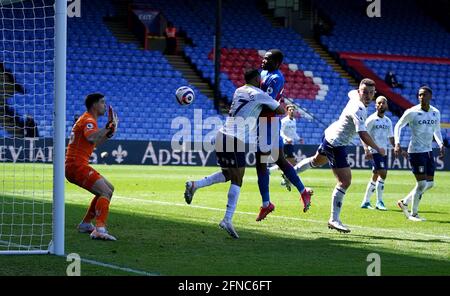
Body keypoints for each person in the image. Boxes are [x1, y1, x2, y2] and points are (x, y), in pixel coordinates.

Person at [184, 69, 284, 239]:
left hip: (221, 135)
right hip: (235, 139)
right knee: (238, 178)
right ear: (257, 79)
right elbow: (280, 110)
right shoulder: (259, 94)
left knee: (228, 174)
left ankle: (195, 185)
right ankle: (227, 219)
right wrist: (278, 98)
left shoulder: (239, 90)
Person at [294, 79, 385, 233]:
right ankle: (334, 219)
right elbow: (362, 133)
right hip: (336, 144)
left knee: (316, 161)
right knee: (345, 181)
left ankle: (291, 174)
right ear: (359, 92)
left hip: (329, 134)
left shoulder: (354, 96)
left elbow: (350, 93)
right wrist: (377, 148)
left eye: (371, 93)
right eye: (365, 92)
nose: (368, 96)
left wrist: (358, 93)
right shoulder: (359, 108)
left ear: (374, 93)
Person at [255, 49, 313, 222]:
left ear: (277, 63)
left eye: (268, 59)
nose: (264, 61)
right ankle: (303, 192)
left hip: (268, 123)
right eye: (263, 58)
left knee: (261, 163)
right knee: (279, 161)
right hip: (264, 123)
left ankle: (267, 204)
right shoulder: (264, 73)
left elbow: (267, 103)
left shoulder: (276, 78)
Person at [65, 93, 119, 241]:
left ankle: (86, 224)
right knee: (105, 192)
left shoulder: (88, 119)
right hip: (76, 166)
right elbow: (91, 137)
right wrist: (107, 127)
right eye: (102, 102)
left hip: (76, 165)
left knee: (109, 189)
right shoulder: (89, 120)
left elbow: (93, 143)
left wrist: (108, 133)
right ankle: (99, 229)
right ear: (94, 105)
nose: (104, 105)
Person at [394, 86, 445, 221]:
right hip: (416, 152)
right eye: (420, 95)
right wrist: (397, 143)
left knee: (430, 183)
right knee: (422, 184)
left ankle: (404, 202)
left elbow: (437, 130)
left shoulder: (435, 112)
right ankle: (413, 214)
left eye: (424, 95)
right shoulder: (412, 112)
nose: (421, 97)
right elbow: (398, 125)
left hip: (428, 151)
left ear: (430, 96)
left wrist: (440, 143)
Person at [360, 96, 394, 211]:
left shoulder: (388, 121)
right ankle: (379, 202)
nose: (381, 105)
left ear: (386, 105)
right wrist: (366, 149)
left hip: (384, 152)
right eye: (378, 103)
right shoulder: (371, 119)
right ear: (375, 105)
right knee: (383, 174)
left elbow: (391, 137)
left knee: (375, 175)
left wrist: (396, 147)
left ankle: (365, 201)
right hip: (374, 151)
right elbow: (363, 134)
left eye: (383, 103)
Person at [268, 104, 302, 191]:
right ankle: (284, 179)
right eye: (290, 110)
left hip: (290, 143)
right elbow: (281, 132)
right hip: (285, 143)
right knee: (290, 163)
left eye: (293, 110)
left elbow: (294, 133)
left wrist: (299, 139)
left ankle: (270, 171)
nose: (291, 111)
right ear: (287, 111)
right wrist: (286, 138)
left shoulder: (294, 120)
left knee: (286, 163)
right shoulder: (284, 121)